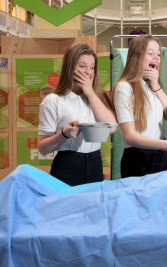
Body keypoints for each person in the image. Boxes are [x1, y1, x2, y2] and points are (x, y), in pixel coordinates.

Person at [38, 43, 117, 186]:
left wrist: (90, 92)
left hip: (96, 163)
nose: (88, 72)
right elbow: (43, 148)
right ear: (70, 67)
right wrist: (64, 133)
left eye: (92, 67)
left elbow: (112, 128)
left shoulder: (97, 98)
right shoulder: (53, 100)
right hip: (67, 164)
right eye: (82, 66)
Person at [112, 34, 167, 178]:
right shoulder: (124, 87)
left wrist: (156, 86)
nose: (156, 57)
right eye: (150, 53)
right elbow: (130, 136)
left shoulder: (152, 85)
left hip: (159, 156)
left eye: (158, 54)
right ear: (136, 56)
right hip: (137, 159)